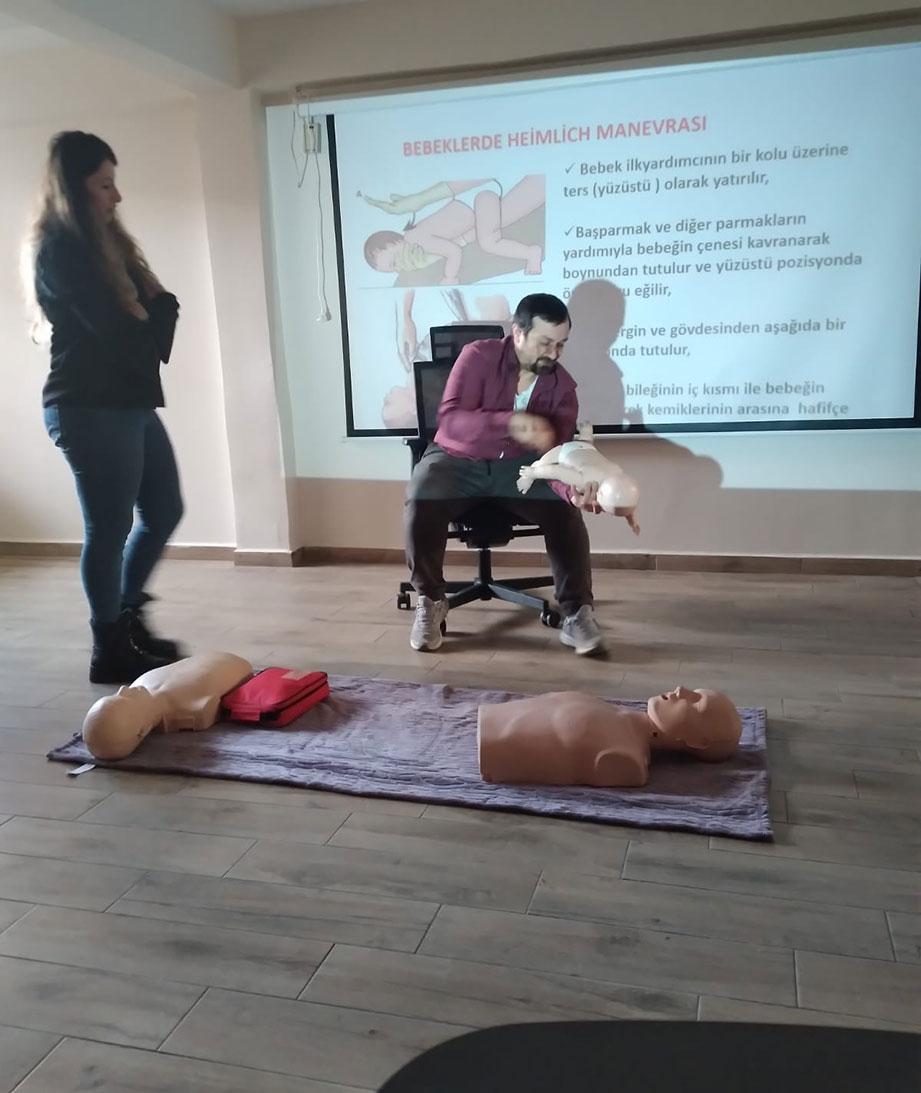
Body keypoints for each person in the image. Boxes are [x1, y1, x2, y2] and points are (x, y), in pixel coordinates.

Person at [24, 131, 186, 684]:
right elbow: (118, 329)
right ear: (74, 188)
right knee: (110, 528)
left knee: (164, 509)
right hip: (88, 406)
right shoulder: (60, 251)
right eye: (105, 184)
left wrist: (147, 311)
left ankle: (126, 617)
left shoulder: (112, 247)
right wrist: (146, 311)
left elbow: (154, 325)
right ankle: (109, 647)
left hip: (130, 399)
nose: (116, 196)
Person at [404, 292, 606, 656]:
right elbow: (451, 420)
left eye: (561, 344)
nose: (554, 354)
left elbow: (556, 456)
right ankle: (431, 599)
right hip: (457, 458)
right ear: (518, 333)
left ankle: (576, 612)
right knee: (422, 492)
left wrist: (571, 490)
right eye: (545, 342)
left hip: (521, 468)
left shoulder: (563, 389)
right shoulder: (478, 356)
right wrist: (509, 423)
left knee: (565, 511)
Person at [477, 686, 743, 787]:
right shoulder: (617, 715)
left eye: (696, 703)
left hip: (491, 748)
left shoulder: (625, 760)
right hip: (491, 719)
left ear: (697, 741)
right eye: (694, 690)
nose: (681, 690)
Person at [363, 176, 545, 286]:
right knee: (481, 238)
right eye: (394, 269)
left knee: (489, 242)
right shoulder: (415, 242)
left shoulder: (417, 239)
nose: (400, 267)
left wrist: (449, 278)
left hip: (479, 198)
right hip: (474, 206)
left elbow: (453, 251)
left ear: (397, 241)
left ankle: (531, 253)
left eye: (395, 261)